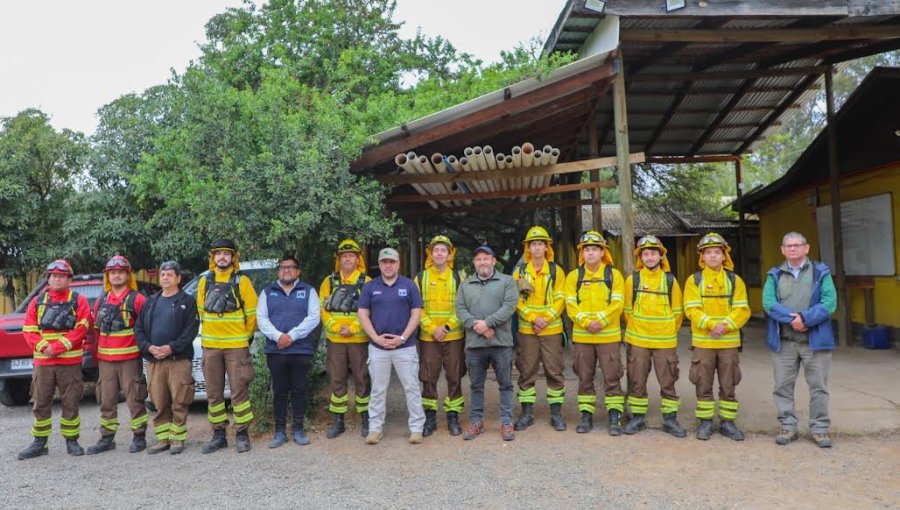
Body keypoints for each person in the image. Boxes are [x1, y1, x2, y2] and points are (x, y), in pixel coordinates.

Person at [763, 231, 837, 448]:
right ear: (782, 250)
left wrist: (806, 318)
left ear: (807, 248)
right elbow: (768, 303)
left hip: (815, 341)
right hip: (785, 341)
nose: (793, 249)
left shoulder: (821, 272)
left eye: (797, 245)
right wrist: (793, 319)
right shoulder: (774, 274)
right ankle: (788, 426)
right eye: (789, 246)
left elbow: (829, 302)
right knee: (782, 386)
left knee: (819, 387)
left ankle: (820, 429)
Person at [17, 260, 91, 460]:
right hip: (43, 363)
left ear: (69, 279)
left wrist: (56, 348)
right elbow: (29, 329)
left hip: (69, 363)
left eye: (61, 276)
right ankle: (39, 443)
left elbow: (82, 328)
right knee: (41, 402)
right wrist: (43, 347)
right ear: (48, 279)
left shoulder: (79, 301)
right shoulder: (38, 301)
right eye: (53, 276)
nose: (56, 279)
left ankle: (72, 440)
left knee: (71, 401)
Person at [683, 233, 751, 441]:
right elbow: (691, 309)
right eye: (708, 253)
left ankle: (727, 423)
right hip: (703, 342)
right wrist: (713, 325)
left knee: (728, 383)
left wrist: (726, 326)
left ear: (724, 256)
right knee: (702, 381)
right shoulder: (694, 280)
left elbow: (743, 309)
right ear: (702, 257)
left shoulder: (734, 280)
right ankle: (705, 423)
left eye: (717, 252)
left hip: (729, 342)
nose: (713, 256)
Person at [197, 239, 258, 454]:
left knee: (239, 391)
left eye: (226, 253)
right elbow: (201, 311)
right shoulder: (205, 281)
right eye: (218, 253)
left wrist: (244, 338)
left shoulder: (243, 281)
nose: (222, 257)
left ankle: (242, 434)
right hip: (211, 346)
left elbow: (252, 314)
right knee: (213, 393)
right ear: (213, 257)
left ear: (233, 257)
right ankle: (218, 435)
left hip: (236, 346)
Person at [357, 248, 425, 445]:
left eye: (392, 262)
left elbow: (416, 314)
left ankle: (416, 428)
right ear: (379, 264)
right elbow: (363, 314)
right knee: (378, 390)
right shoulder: (370, 287)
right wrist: (376, 338)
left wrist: (403, 338)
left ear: (398, 264)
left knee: (412, 388)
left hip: (405, 346)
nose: (388, 265)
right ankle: (375, 429)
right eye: (384, 262)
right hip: (378, 348)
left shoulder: (409, 285)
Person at [622, 235, 687, 437]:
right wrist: (640, 329)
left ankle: (670, 420)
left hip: (665, 342)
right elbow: (626, 310)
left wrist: (666, 330)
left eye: (653, 254)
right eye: (646, 254)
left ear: (661, 256)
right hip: (638, 340)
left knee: (668, 382)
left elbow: (678, 312)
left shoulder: (670, 280)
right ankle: (638, 418)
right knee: (637, 381)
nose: (650, 257)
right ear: (641, 257)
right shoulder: (633, 280)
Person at [564, 231, 626, 435]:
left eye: (594, 249)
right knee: (584, 377)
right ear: (582, 253)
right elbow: (570, 304)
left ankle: (615, 416)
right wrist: (585, 322)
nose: (590, 253)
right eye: (586, 249)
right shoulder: (574, 276)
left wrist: (600, 321)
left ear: (602, 252)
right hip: (583, 337)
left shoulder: (613, 275)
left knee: (612, 377)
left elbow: (617, 303)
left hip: (608, 336)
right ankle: (586, 416)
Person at [455, 246, 519, 441]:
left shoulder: (507, 281)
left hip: (501, 343)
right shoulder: (465, 285)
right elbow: (460, 308)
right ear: (474, 263)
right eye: (478, 259)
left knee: (506, 384)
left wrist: (488, 323)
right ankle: (476, 421)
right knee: (476, 385)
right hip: (475, 344)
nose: (482, 262)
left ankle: (507, 421)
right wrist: (478, 326)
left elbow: (509, 306)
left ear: (493, 261)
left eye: (486, 258)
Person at [86, 255, 149, 455]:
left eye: (120, 272)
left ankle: (139, 436)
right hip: (106, 361)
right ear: (108, 276)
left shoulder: (137, 299)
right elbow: (96, 329)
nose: (116, 276)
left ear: (127, 275)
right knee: (106, 399)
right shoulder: (101, 300)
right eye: (112, 273)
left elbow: (146, 328)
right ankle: (107, 438)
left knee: (135, 398)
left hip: (130, 359)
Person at [135, 261, 199, 455]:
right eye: (162, 275)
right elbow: (138, 328)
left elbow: (191, 330)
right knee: (159, 401)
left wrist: (171, 348)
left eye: (169, 275)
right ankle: (163, 439)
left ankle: (177, 439)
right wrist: (148, 347)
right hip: (155, 361)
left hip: (177, 360)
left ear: (178, 278)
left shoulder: (187, 302)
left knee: (179, 400)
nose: (165, 278)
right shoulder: (151, 302)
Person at [257, 256, 320, 448]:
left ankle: (298, 430)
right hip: (276, 350)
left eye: (291, 267)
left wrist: (291, 336)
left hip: (301, 350)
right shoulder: (267, 292)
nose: (286, 270)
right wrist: (278, 337)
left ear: (298, 271)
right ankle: (279, 432)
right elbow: (261, 318)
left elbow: (314, 317)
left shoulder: (308, 291)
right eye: (283, 267)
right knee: (280, 391)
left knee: (299, 390)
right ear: (278, 271)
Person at [512, 225, 568, 432]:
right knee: (527, 371)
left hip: (551, 330)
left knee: (554, 370)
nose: (536, 248)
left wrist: (546, 319)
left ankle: (556, 414)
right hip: (528, 331)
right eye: (533, 244)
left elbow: (561, 298)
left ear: (546, 247)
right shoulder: (520, 272)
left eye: (540, 244)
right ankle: (527, 414)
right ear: (528, 248)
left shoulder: (556, 270)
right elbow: (516, 300)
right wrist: (533, 318)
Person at [319, 239, 371, 439]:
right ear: (339, 260)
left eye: (352, 256)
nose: (348, 259)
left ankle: (365, 418)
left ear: (358, 259)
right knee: (337, 378)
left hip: (359, 340)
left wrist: (354, 327)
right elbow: (323, 309)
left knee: (362, 378)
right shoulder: (329, 281)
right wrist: (334, 326)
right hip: (336, 340)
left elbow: (370, 309)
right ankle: (338, 420)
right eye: (344, 256)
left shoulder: (366, 282)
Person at [414, 235, 465, 436]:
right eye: (436, 250)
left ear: (450, 254)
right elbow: (417, 307)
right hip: (429, 338)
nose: (439, 253)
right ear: (430, 253)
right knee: (428, 376)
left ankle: (453, 417)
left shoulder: (458, 277)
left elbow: (462, 307)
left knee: (455, 376)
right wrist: (431, 328)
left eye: (443, 250)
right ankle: (430, 417)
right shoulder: (420, 277)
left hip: (453, 337)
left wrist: (445, 327)